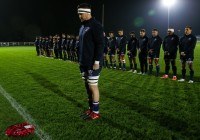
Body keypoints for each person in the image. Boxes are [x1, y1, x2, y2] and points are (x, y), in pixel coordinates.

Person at [78, 3, 104, 120]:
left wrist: (97, 61)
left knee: (93, 86)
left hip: (93, 63)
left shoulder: (96, 25)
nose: (79, 16)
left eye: (80, 14)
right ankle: (91, 109)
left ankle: (96, 112)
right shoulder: (82, 27)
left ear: (87, 13)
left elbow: (100, 44)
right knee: (87, 86)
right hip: (83, 63)